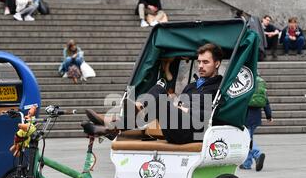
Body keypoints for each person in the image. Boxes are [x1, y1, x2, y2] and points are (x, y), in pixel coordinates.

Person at [85, 43, 224, 144]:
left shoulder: (220, 87)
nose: (200, 66)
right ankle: (125, 117)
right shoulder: (192, 86)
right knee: (159, 87)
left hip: (194, 132)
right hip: (174, 128)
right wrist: (175, 103)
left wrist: (184, 109)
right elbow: (179, 103)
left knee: (159, 97)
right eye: (199, 62)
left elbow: (214, 115)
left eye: (205, 62)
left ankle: (113, 124)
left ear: (217, 64)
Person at [240, 75, 273, 171]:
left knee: (247, 139)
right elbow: (266, 101)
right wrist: (269, 115)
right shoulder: (260, 83)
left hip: (246, 115)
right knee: (248, 137)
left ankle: (257, 154)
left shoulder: (246, 81)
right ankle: (247, 163)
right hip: (256, 116)